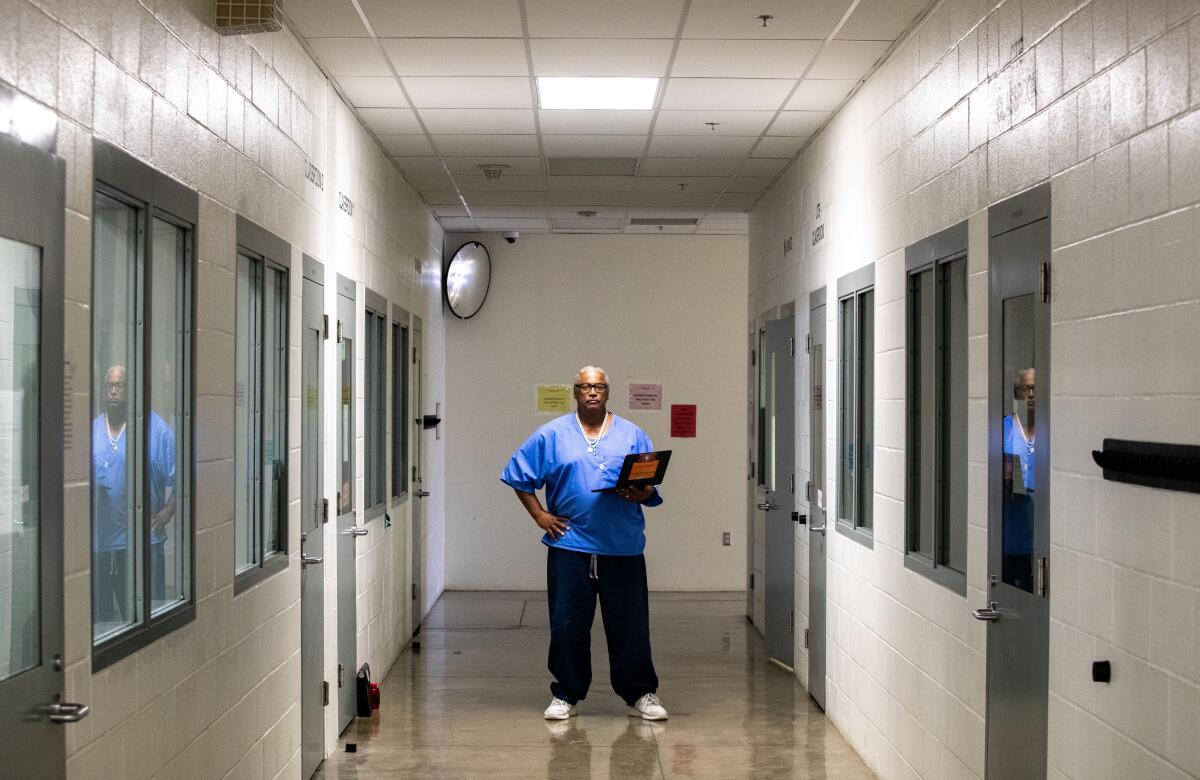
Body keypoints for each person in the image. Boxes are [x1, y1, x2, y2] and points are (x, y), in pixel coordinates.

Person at [502, 366, 668, 721]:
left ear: (608, 392)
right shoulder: (552, 435)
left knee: (630, 623)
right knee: (567, 623)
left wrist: (638, 492)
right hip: (570, 546)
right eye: (585, 386)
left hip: (621, 546)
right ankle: (565, 694)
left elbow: (650, 488)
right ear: (575, 392)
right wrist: (540, 516)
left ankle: (641, 692)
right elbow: (519, 475)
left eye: (599, 387)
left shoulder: (632, 434)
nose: (592, 392)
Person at [92, 365, 176, 626]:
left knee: (146, 623)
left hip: (143, 545)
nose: (114, 391)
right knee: (101, 626)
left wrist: (167, 512)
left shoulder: (156, 430)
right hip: (101, 547)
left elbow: (184, 478)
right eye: (110, 386)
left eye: (120, 386)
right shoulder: (92, 430)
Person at [1002, 367, 1035, 590]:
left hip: (1044, 540)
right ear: (1016, 394)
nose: (1031, 395)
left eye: (1035, 389)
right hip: (1010, 541)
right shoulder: (1003, 429)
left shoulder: (1052, 430)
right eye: (1026, 389)